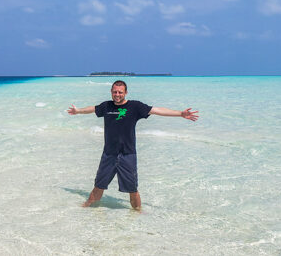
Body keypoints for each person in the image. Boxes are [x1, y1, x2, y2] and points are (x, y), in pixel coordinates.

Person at [67, 80, 198, 210]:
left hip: (127, 154)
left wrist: (180, 114)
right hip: (109, 154)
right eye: (114, 92)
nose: (117, 94)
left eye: (120, 92)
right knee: (99, 185)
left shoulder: (135, 106)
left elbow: (157, 110)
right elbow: (92, 109)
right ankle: (85, 208)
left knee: (132, 189)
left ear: (126, 93)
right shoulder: (106, 106)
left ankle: (137, 213)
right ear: (111, 92)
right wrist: (78, 111)